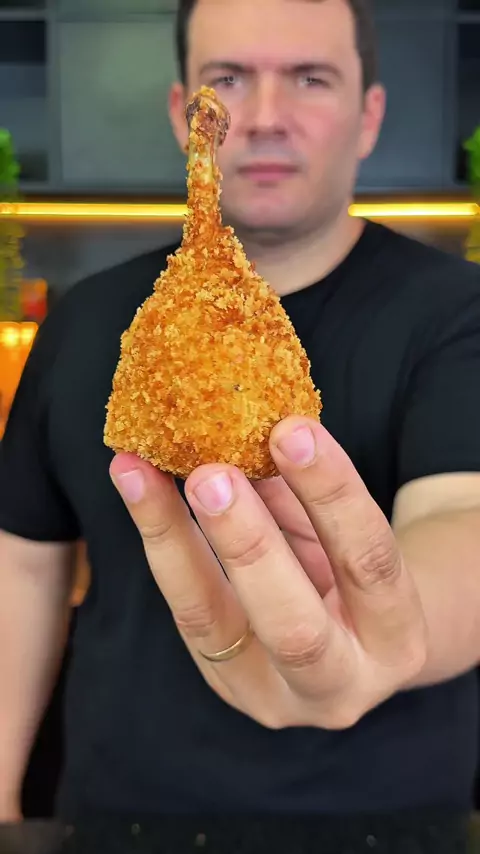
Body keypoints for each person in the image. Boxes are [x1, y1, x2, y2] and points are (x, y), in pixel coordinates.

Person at [1, 0, 480, 851]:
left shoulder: (459, 312)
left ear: (369, 114)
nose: (262, 116)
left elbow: (462, 521)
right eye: (228, 78)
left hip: (387, 825)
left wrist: (382, 627)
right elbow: (25, 566)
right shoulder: (83, 320)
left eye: (310, 77)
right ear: (183, 109)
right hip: (117, 816)